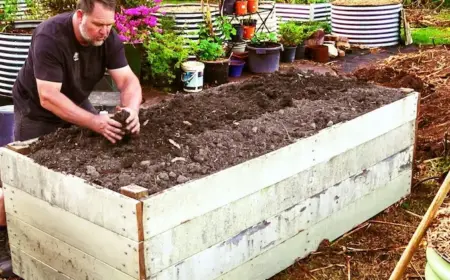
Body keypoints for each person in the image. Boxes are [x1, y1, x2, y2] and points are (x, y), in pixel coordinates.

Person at [0, 0, 143, 276]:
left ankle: (69, 227)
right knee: (24, 180)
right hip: (37, 110)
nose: (104, 31)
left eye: (109, 25)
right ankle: (6, 240)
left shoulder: (108, 37)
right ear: (80, 16)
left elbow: (127, 81)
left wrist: (131, 109)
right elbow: (49, 97)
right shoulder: (50, 36)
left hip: (75, 100)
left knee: (87, 160)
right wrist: (95, 122)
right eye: (98, 25)